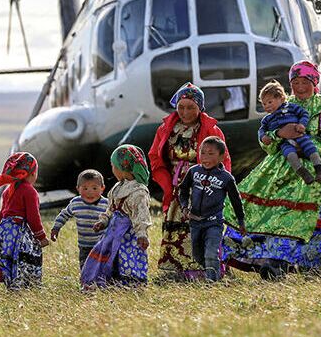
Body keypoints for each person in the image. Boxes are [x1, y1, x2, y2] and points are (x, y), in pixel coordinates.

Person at [222, 61, 321, 278]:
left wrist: (311, 148)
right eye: (295, 82)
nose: (300, 86)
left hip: (320, 169)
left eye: (305, 81)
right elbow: (266, 142)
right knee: (276, 214)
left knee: (315, 218)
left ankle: (320, 263)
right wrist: (279, 136)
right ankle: (276, 262)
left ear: (314, 82)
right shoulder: (281, 106)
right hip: (284, 167)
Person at [149, 82, 231, 280]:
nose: (185, 112)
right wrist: (168, 185)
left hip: (204, 185)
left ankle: (205, 269)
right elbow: (156, 156)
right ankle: (177, 269)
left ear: (200, 107)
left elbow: (224, 158)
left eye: (191, 107)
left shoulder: (211, 130)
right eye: (181, 107)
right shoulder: (166, 129)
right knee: (176, 225)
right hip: (178, 188)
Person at [0, 152, 50, 292]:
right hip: (17, 231)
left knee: (8, 262)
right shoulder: (29, 192)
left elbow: (2, 215)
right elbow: (34, 217)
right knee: (22, 260)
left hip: (4, 230)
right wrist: (41, 237)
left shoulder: (8, 191)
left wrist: (3, 230)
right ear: (32, 174)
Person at [81, 145, 152, 288]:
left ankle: (128, 284)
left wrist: (142, 234)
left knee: (124, 257)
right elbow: (110, 209)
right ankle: (104, 281)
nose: (112, 169)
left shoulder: (138, 191)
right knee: (106, 254)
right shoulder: (117, 188)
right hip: (112, 232)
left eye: (113, 166)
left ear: (123, 168)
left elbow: (141, 215)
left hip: (129, 235)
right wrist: (103, 221)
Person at [177, 137, 246, 281]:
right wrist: (184, 206)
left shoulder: (226, 178)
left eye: (210, 154)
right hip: (195, 221)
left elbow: (236, 201)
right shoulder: (193, 171)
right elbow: (182, 190)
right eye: (202, 153)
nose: (205, 157)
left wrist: (241, 221)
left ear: (222, 156)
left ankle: (212, 281)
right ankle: (214, 271)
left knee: (211, 253)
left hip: (214, 222)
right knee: (198, 254)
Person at [259, 81, 321, 185]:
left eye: (270, 102)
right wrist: (263, 137)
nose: (267, 106)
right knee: (290, 155)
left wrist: (302, 124)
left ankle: (320, 171)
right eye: (264, 104)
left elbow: (304, 113)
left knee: (311, 149)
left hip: (299, 135)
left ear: (281, 98)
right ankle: (304, 174)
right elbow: (261, 130)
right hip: (284, 142)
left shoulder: (291, 107)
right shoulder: (267, 119)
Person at [50, 169, 109, 269]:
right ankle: (86, 283)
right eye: (85, 188)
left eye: (94, 188)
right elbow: (64, 215)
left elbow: (113, 218)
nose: (90, 192)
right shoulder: (76, 203)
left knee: (101, 267)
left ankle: (102, 282)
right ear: (78, 188)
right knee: (85, 267)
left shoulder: (106, 204)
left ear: (102, 188)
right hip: (84, 245)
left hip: (102, 244)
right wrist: (56, 228)